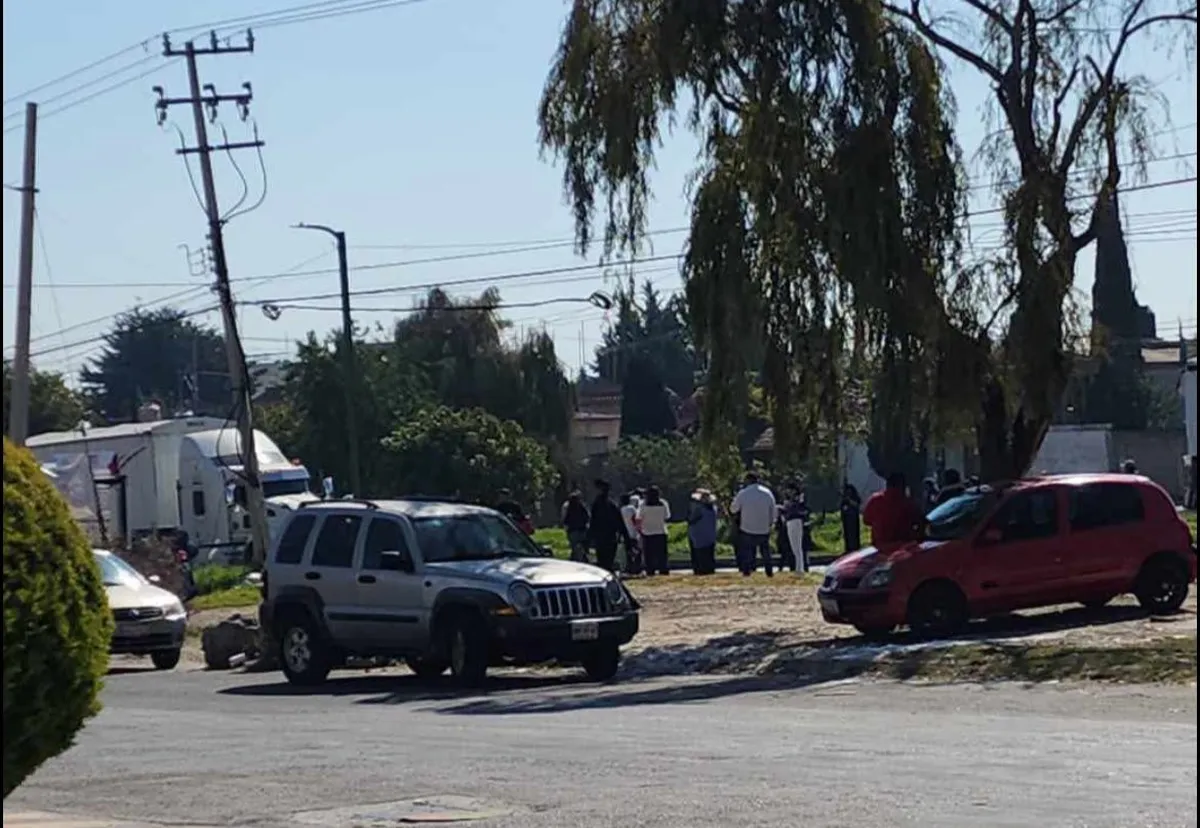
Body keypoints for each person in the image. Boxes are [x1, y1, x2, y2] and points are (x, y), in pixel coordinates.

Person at [731, 471, 777, 577]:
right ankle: (769, 571)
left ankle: (747, 571)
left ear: (748, 480)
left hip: (747, 527)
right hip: (763, 528)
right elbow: (773, 510)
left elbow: (734, 509)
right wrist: (771, 523)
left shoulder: (743, 493)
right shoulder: (767, 493)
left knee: (747, 551)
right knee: (765, 551)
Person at [862, 472, 924, 549]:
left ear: (887, 485)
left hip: (879, 546)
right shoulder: (907, 503)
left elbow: (866, 520)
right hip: (901, 547)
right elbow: (918, 522)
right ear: (902, 487)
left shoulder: (875, 500)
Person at [588, 479, 626, 573]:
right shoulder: (612, 505)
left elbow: (593, 522)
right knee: (608, 561)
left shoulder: (597, 504)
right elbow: (620, 522)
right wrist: (625, 536)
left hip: (602, 538)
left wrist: (589, 537)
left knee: (603, 561)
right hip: (610, 537)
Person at [636, 486, 671, 576]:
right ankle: (663, 570)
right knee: (662, 555)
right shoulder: (663, 503)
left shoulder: (643, 504)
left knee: (649, 555)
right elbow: (667, 516)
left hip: (647, 532)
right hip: (661, 531)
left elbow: (639, 517)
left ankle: (650, 571)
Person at [687, 489, 718, 575]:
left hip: (698, 535)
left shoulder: (699, 509)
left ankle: (699, 570)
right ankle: (709, 570)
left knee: (699, 555)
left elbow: (691, 520)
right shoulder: (713, 508)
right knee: (709, 554)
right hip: (710, 534)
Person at [781, 485, 810, 573]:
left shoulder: (798, 500)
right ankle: (798, 568)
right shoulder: (788, 501)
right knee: (794, 547)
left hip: (796, 521)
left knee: (797, 546)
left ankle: (800, 568)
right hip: (790, 522)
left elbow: (801, 509)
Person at [561, 490, 591, 562]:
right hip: (582, 529)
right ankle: (582, 557)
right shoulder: (582, 506)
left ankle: (576, 558)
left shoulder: (568, 507)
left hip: (572, 530)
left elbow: (565, 519)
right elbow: (587, 517)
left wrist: (566, 527)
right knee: (581, 545)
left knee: (574, 546)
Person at [619, 492, 644, 575]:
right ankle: (637, 567)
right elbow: (635, 519)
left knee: (628, 552)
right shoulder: (632, 508)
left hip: (625, 533)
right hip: (633, 532)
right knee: (637, 551)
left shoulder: (621, 509)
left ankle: (629, 567)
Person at [840, 483, 862, 553]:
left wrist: (849, 500)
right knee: (847, 535)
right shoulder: (844, 500)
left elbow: (857, 505)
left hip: (854, 519)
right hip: (846, 519)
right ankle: (848, 549)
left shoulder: (855, 498)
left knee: (854, 536)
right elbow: (842, 508)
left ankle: (855, 548)